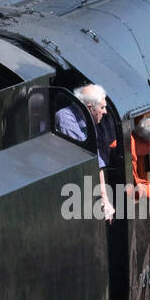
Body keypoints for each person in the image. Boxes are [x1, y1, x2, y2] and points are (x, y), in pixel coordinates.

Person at [55, 84, 115, 221]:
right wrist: (104, 198)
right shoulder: (66, 120)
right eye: (102, 107)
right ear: (89, 108)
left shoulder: (95, 118)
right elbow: (92, 157)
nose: (105, 112)